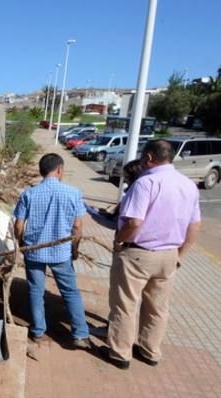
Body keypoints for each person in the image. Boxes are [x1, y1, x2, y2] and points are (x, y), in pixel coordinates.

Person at [106, 140, 202, 369]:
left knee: (125, 304)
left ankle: (120, 353)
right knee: (158, 307)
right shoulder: (188, 185)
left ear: (148, 158)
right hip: (169, 255)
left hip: (138, 254)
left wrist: (120, 240)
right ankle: (150, 351)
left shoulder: (146, 183)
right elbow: (195, 225)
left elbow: (134, 221)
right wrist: (181, 254)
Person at [13, 153, 90, 348]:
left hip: (34, 250)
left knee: (35, 290)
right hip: (61, 252)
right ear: (59, 170)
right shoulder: (73, 192)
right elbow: (77, 227)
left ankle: (38, 331)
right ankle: (80, 334)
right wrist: (75, 248)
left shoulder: (29, 194)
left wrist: (22, 245)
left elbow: (18, 226)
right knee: (70, 292)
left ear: (41, 171)